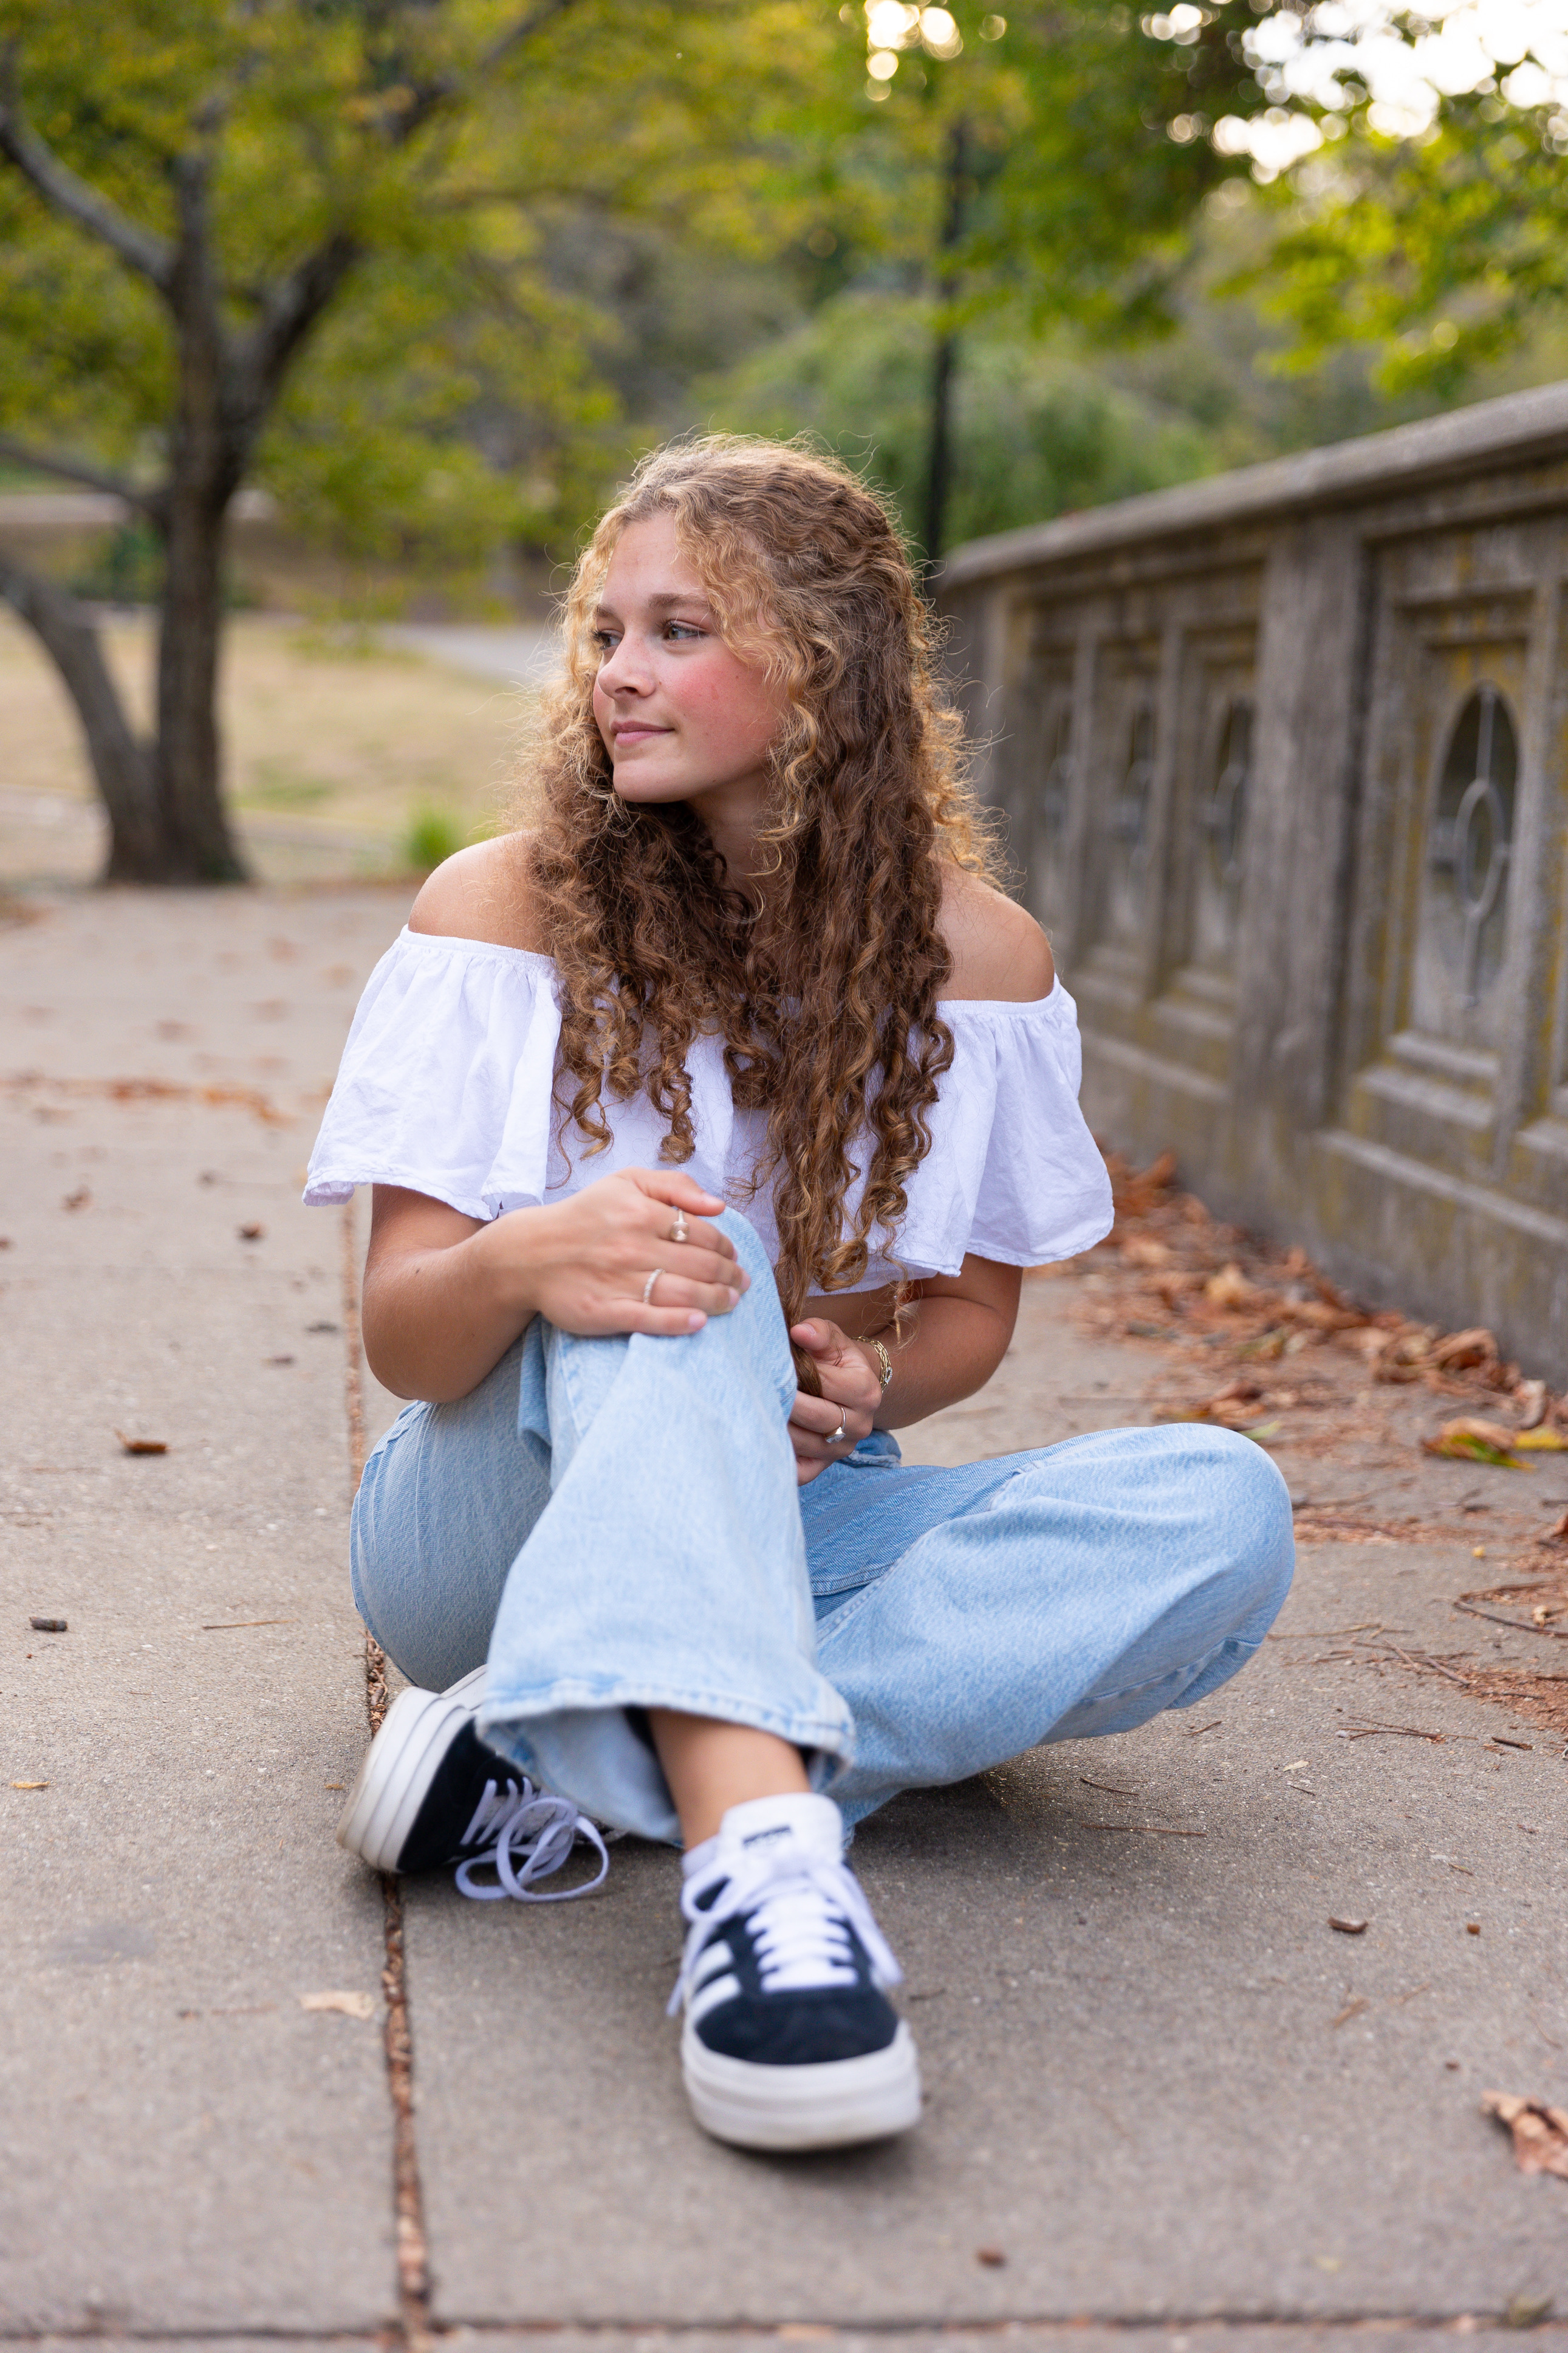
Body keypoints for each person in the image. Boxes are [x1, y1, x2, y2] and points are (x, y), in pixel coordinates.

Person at [306, 436, 1293, 2156]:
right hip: (485, 1522)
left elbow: (963, 1326)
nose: (619, 671)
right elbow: (403, 1333)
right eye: (607, 630)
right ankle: (765, 1882)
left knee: (1222, 1512)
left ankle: (564, 1754)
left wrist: (857, 1389)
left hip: (798, 1509)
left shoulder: (983, 963)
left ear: (826, 662)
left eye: (678, 628)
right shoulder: (501, 911)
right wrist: (537, 1256)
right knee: (708, 1261)